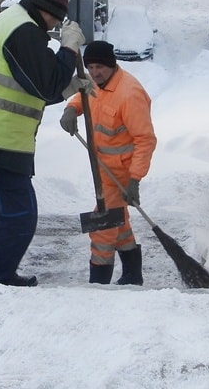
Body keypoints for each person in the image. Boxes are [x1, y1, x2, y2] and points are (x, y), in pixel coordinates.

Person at [0, 0, 88, 287]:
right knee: (21, 217)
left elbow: (26, 83)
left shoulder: (8, 22)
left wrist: (68, 87)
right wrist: (68, 48)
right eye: (57, 20)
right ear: (49, 12)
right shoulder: (25, 32)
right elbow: (45, 82)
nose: (55, 28)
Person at [59, 41, 156, 285]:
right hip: (103, 169)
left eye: (99, 67)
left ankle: (98, 286)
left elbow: (145, 140)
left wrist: (134, 180)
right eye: (90, 67)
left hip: (121, 173)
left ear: (112, 65)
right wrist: (71, 109)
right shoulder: (96, 83)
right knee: (118, 224)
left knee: (102, 228)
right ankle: (133, 275)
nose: (94, 72)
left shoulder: (129, 93)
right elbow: (84, 96)